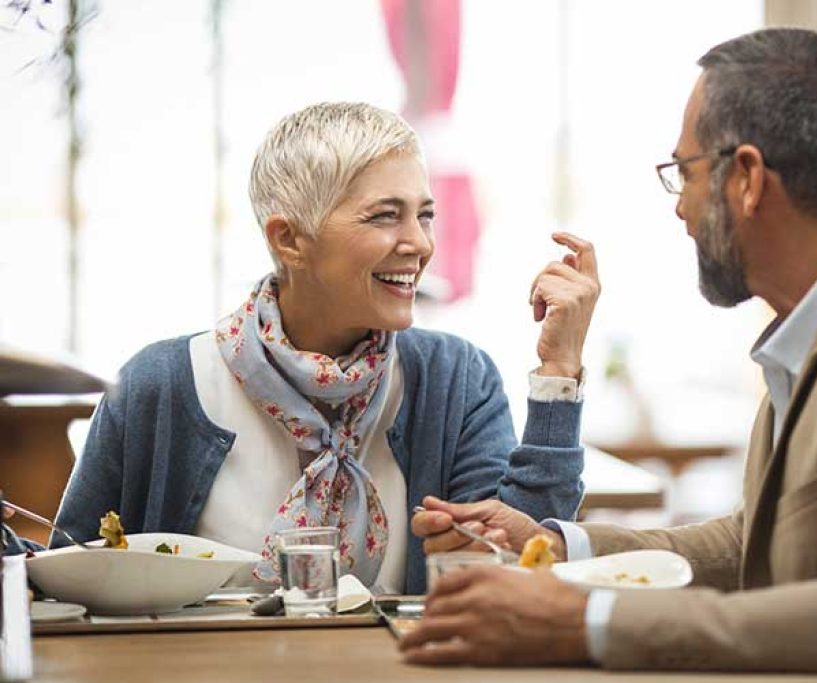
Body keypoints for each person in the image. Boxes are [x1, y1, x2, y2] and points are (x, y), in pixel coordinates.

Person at [401, 28, 817, 682]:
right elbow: (748, 542)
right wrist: (556, 544)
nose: (682, 210)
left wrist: (582, 621)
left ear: (748, 178)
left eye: (686, 174)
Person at [3, 102, 600, 595]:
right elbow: (69, 582)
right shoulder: (160, 384)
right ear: (288, 239)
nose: (418, 243)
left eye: (424, 215)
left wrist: (559, 372)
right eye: (384, 217)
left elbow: (517, 561)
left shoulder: (455, 378)